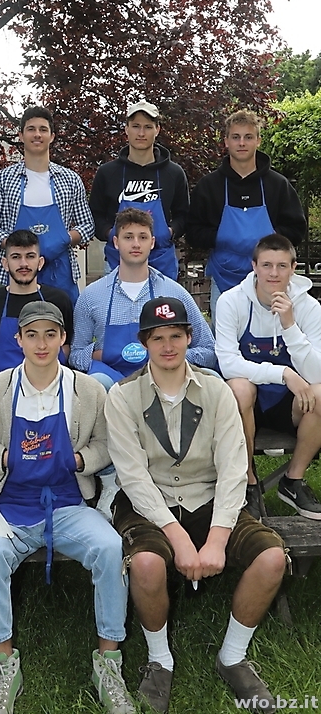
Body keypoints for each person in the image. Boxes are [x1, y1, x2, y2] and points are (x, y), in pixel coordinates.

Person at [105, 297, 286, 714]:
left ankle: (233, 657)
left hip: (208, 496)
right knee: (147, 564)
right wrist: (178, 538)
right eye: (157, 338)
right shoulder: (122, 395)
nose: (168, 346)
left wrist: (217, 538)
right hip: (151, 502)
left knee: (272, 558)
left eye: (176, 336)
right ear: (144, 343)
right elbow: (132, 476)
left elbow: (234, 466)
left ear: (189, 337)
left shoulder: (216, 390)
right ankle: (160, 659)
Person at [0, 301, 134, 714]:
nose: (41, 344)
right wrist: (3, 457)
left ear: (63, 339)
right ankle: (4, 664)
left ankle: (108, 663)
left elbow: (105, 444)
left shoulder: (88, 390)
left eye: (50, 334)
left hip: (67, 503)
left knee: (110, 548)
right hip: (10, 505)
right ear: (18, 340)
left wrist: (79, 460)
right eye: (32, 335)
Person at [215, 233, 321, 521]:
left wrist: (289, 325)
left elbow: (316, 373)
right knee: (238, 389)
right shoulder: (231, 301)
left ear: (293, 268)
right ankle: (248, 483)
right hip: (247, 404)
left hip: (289, 404)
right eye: (266, 265)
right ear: (254, 266)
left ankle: (293, 480)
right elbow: (228, 364)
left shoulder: (309, 307)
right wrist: (284, 373)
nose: (274, 273)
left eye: (282, 266)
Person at [70, 208, 215, 389]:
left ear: (152, 243)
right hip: (111, 381)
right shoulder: (92, 295)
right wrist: (102, 354)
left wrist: (171, 354)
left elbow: (208, 350)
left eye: (143, 237)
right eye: (128, 237)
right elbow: (75, 355)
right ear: (116, 242)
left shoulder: (175, 293)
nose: (136, 244)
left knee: (213, 380)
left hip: (164, 379)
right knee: (95, 383)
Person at [185, 109, 306, 322]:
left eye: (248, 137)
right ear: (226, 141)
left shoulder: (278, 185)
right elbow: (193, 232)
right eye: (236, 137)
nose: (242, 143)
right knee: (224, 338)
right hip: (224, 280)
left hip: (270, 281)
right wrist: (223, 236)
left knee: (273, 336)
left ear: (258, 141)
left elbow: (297, 229)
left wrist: (269, 237)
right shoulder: (209, 186)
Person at [0, 106, 94, 305]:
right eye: (31, 129)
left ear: (52, 136)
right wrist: (15, 247)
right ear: (21, 135)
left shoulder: (70, 179)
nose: (37, 135)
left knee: (63, 322)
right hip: (18, 273)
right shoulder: (4, 179)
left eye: (43, 129)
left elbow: (87, 225)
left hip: (60, 271)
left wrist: (63, 239)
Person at [89, 100, 189, 280]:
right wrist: (110, 233)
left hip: (162, 266)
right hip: (116, 264)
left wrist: (169, 232)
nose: (141, 133)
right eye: (136, 126)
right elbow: (95, 215)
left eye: (148, 127)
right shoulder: (107, 173)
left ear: (157, 130)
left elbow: (184, 215)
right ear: (126, 129)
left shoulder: (174, 173)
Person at [0, 229, 74, 374]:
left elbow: (66, 346)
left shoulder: (59, 300)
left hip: (50, 381)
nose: (23, 263)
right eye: (16, 257)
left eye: (30, 256)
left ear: (40, 262)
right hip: (4, 382)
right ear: (5, 263)